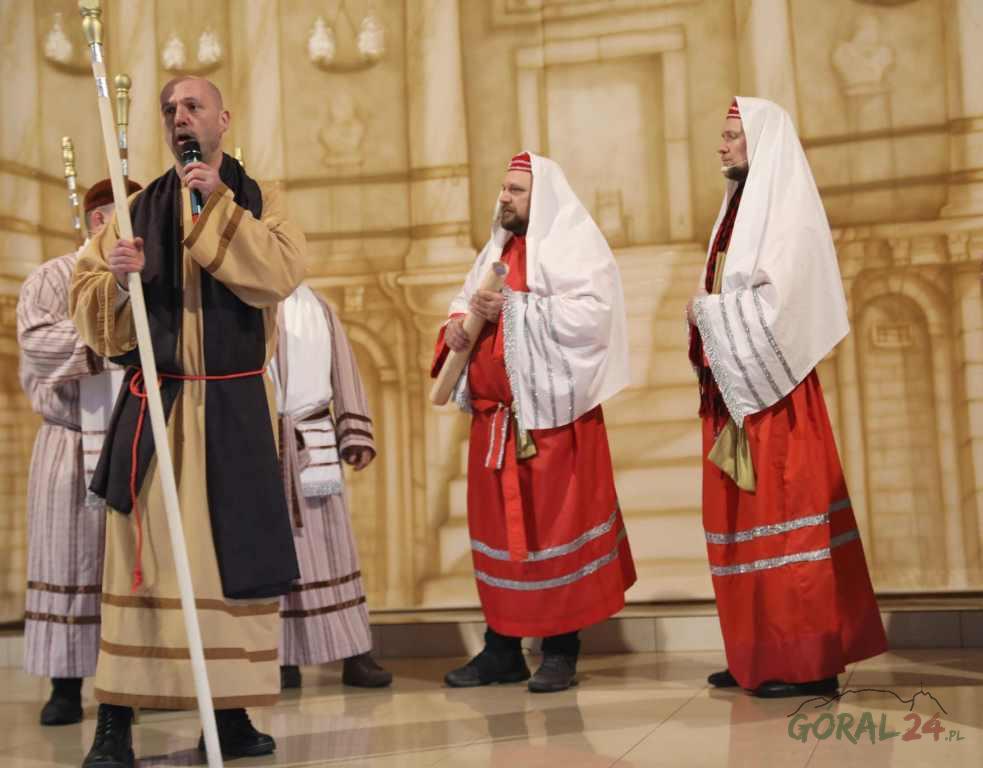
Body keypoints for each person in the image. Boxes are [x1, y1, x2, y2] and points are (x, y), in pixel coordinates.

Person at [70, 76, 306, 767]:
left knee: (226, 567)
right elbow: (87, 300)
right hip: (159, 407)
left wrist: (217, 207)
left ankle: (227, 717)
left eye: (193, 106)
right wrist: (117, 279)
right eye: (170, 109)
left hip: (232, 408)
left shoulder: (260, 199)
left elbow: (279, 273)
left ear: (222, 119)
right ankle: (115, 721)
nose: (180, 117)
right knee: (140, 569)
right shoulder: (136, 209)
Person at [687, 97, 887, 698]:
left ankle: (807, 663)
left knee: (786, 526)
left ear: (763, 142)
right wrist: (707, 316)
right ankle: (756, 651)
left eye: (732, 135)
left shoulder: (787, 215)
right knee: (740, 526)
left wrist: (707, 314)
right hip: (733, 391)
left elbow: (783, 307)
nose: (721, 145)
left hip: (775, 396)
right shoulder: (737, 209)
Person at [432, 152, 636, 694]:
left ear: (540, 197)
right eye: (503, 188)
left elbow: (590, 317)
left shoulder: (573, 245)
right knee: (500, 540)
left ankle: (561, 651)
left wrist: (513, 309)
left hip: (552, 427)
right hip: (497, 425)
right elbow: (466, 302)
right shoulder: (498, 249)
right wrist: (456, 326)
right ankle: (502, 650)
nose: (504, 197)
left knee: (553, 539)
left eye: (516, 190)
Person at [18, 178, 141, 726]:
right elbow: (40, 347)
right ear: (98, 221)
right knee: (69, 559)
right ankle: (65, 686)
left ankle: (131, 683)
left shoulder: (152, 280)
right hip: (68, 440)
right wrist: (114, 335)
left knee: (133, 567)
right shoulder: (51, 277)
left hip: (135, 441)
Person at [272, 283, 392, 690]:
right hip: (259, 441)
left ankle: (355, 653)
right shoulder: (238, 297)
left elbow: (343, 366)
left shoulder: (315, 306)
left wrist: (353, 430)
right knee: (272, 554)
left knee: (332, 548)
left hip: (312, 439)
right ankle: (280, 658)